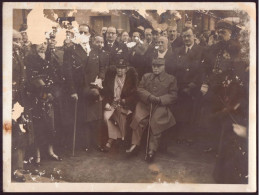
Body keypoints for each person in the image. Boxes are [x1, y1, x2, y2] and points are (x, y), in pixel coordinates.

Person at [127, 58, 177, 162]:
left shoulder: (171, 79)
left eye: (159, 66)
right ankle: (135, 145)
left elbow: (173, 95)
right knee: (138, 119)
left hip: (160, 106)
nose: (156, 68)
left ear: (164, 67)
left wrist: (160, 99)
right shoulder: (146, 76)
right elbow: (139, 89)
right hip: (145, 104)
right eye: (154, 66)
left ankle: (151, 150)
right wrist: (149, 96)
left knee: (156, 123)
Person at [25, 39, 62, 166]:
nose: (42, 46)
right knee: (38, 126)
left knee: (51, 125)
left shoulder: (50, 57)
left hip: (50, 97)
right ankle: (38, 155)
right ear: (35, 45)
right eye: (39, 43)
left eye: (45, 43)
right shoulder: (30, 59)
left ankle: (50, 151)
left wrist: (52, 93)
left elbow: (55, 77)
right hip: (37, 97)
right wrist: (45, 94)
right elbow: (32, 80)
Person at [62, 24, 91, 150]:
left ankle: (83, 143)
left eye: (85, 33)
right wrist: (72, 90)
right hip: (74, 89)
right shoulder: (70, 49)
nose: (83, 35)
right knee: (72, 117)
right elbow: (67, 71)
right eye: (81, 32)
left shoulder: (89, 48)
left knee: (84, 116)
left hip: (85, 87)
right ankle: (71, 145)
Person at [172, 27, 204, 141]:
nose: (186, 38)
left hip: (194, 88)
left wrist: (192, 85)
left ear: (194, 36)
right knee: (180, 112)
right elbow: (174, 70)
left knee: (192, 113)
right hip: (180, 87)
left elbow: (202, 71)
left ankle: (190, 137)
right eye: (184, 36)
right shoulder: (177, 51)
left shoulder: (201, 50)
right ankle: (180, 136)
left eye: (188, 36)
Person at [101, 59, 138, 151]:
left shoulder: (130, 80)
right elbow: (106, 92)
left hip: (124, 105)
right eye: (118, 68)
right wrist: (107, 103)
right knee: (106, 117)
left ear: (126, 69)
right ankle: (116, 138)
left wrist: (124, 101)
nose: (119, 70)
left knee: (120, 117)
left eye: (122, 68)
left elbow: (134, 95)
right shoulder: (111, 78)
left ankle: (111, 140)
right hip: (112, 104)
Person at [83, 35, 108, 151]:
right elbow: (82, 72)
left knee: (97, 118)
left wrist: (101, 78)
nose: (100, 44)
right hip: (87, 88)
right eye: (98, 42)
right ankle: (87, 144)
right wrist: (88, 87)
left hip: (98, 88)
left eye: (102, 42)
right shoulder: (88, 52)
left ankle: (96, 142)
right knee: (88, 119)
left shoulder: (102, 54)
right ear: (93, 42)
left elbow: (103, 68)